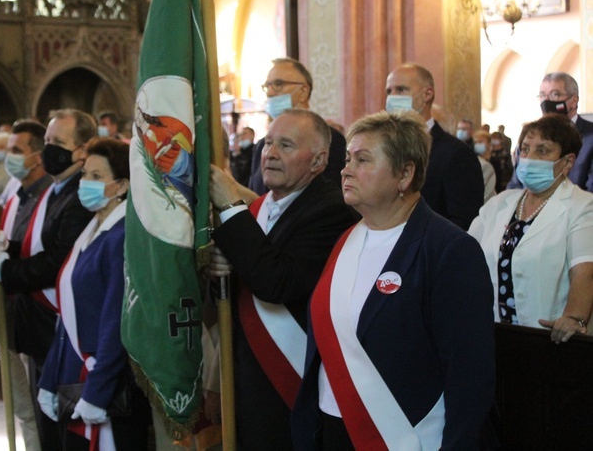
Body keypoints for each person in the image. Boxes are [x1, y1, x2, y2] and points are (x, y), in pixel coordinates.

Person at [292, 110, 495, 450]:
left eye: (363, 160)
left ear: (405, 174)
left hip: (406, 435)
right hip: (332, 430)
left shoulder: (449, 249)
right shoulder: (345, 241)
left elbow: (470, 376)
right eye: (347, 159)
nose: (345, 170)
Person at [207, 109, 358, 450]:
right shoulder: (261, 207)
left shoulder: (331, 210)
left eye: (285, 145)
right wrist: (220, 269)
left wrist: (230, 205)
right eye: (268, 142)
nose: (270, 153)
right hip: (245, 379)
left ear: (318, 160)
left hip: (287, 384)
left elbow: (276, 283)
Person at [0, 109, 97, 450]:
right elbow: (40, 245)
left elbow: (59, 260)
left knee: (60, 429)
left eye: (58, 143)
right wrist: (8, 247)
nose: (50, 150)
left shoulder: (79, 193)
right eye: (47, 141)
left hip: (59, 327)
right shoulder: (58, 187)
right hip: (39, 326)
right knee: (44, 420)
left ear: (83, 149)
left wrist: (6, 269)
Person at [38, 138, 150, 450]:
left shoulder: (122, 236)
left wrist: (97, 393)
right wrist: (49, 379)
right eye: (85, 174)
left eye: (97, 177)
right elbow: (67, 317)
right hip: (76, 378)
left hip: (104, 385)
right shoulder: (92, 229)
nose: (85, 183)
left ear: (122, 185)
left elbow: (115, 323)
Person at [469, 115, 593, 343]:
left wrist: (574, 318)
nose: (529, 158)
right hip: (493, 332)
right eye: (525, 149)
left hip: (549, 337)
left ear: (567, 163)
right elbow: (464, 254)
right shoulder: (501, 203)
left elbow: (584, 271)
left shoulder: (582, 206)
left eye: (542, 151)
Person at [0, 120, 52, 451]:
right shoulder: (16, 197)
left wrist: (6, 263)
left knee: (41, 410)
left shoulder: (50, 197)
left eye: (16, 150)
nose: (9, 156)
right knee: (24, 411)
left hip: (40, 320)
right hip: (13, 316)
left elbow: (46, 261)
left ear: (37, 156)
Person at [384, 63, 483, 229]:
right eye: (389, 91)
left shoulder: (456, 154)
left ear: (427, 94)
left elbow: (463, 223)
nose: (392, 97)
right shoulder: (385, 149)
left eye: (401, 90)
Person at [248, 57, 347, 195]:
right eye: (267, 86)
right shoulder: (261, 146)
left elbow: (331, 198)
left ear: (303, 92)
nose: (270, 92)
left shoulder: (331, 140)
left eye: (278, 84)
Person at [473, 129, 497, 203]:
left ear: (489, 144)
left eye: (480, 142)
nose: (477, 145)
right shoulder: (476, 161)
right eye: (475, 142)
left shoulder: (494, 161)